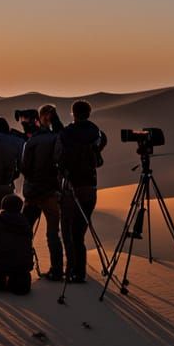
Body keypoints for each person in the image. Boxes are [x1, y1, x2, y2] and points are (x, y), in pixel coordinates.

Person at [54, 99, 107, 283]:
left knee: (68, 230)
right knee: (79, 231)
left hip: (71, 187)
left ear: (73, 113)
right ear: (89, 113)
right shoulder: (95, 132)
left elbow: (58, 157)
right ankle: (79, 270)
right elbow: (101, 146)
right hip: (90, 187)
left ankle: (73, 270)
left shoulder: (66, 133)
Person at [21, 103, 65, 281]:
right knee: (53, 233)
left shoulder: (32, 141)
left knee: (25, 230)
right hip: (51, 192)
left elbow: (24, 167)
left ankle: (22, 264)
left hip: (33, 193)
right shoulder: (58, 137)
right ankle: (57, 269)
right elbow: (60, 161)